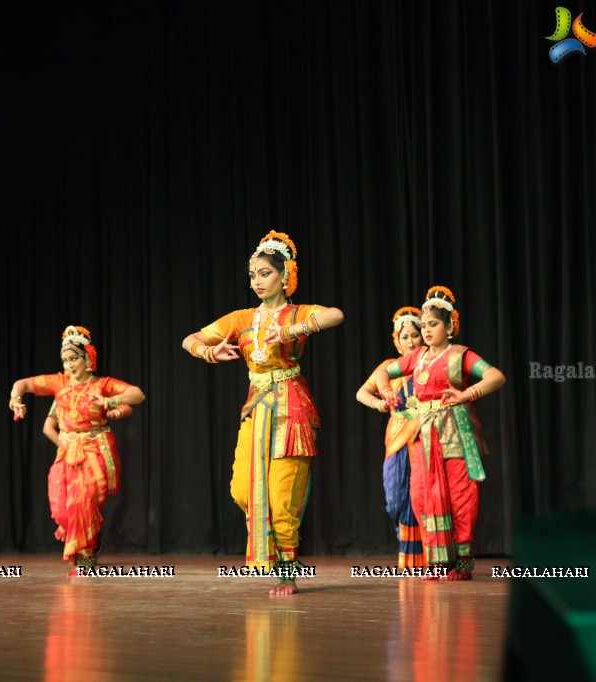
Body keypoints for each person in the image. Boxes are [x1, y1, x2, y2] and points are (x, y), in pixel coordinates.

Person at [181, 231, 344, 595]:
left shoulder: (297, 312)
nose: (257, 281)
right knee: (243, 487)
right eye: (253, 275)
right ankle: (273, 550)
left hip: (293, 409)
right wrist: (207, 353)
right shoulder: (241, 318)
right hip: (256, 408)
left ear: (285, 275)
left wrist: (295, 329)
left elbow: (336, 315)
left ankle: (287, 569)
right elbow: (190, 338)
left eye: (265, 273)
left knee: (282, 493)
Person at [376, 286, 505, 580]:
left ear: (449, 327)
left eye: (433, 324)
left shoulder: (460, 355)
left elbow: (496, 376)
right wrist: (385, 392)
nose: (427, 330)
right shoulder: (417, 357)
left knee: (461, 497)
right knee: (423, 495)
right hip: (423, 436)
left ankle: (462, 563)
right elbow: (384, 373)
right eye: (424, 325)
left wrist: (467, 394)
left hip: (455, 432)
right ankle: (438, 561)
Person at [9, 325, 145, 575]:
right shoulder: (58, 383)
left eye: (73, 359)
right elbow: (22, 384)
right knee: (61, 508)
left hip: (95, 449)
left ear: (87, 359)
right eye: (65, 360)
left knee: (84, 502)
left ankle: (86, 555)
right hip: (67, 452)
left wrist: (110, 402)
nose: (69, 365)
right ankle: (88, 543)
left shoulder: (102, 385)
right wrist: (15, 401)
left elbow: (137, 395)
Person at [356, 306, 426, 569]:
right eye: (404, 336)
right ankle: (409, 554)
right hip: (397, 439)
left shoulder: (431, 366)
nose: (410, 341)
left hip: (425, 436)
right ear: (397, 342)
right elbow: (362, 392)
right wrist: (379, 404)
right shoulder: (388, 368)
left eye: (415, 335)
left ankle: (425, 559)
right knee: (395, 500)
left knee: (424, 497)